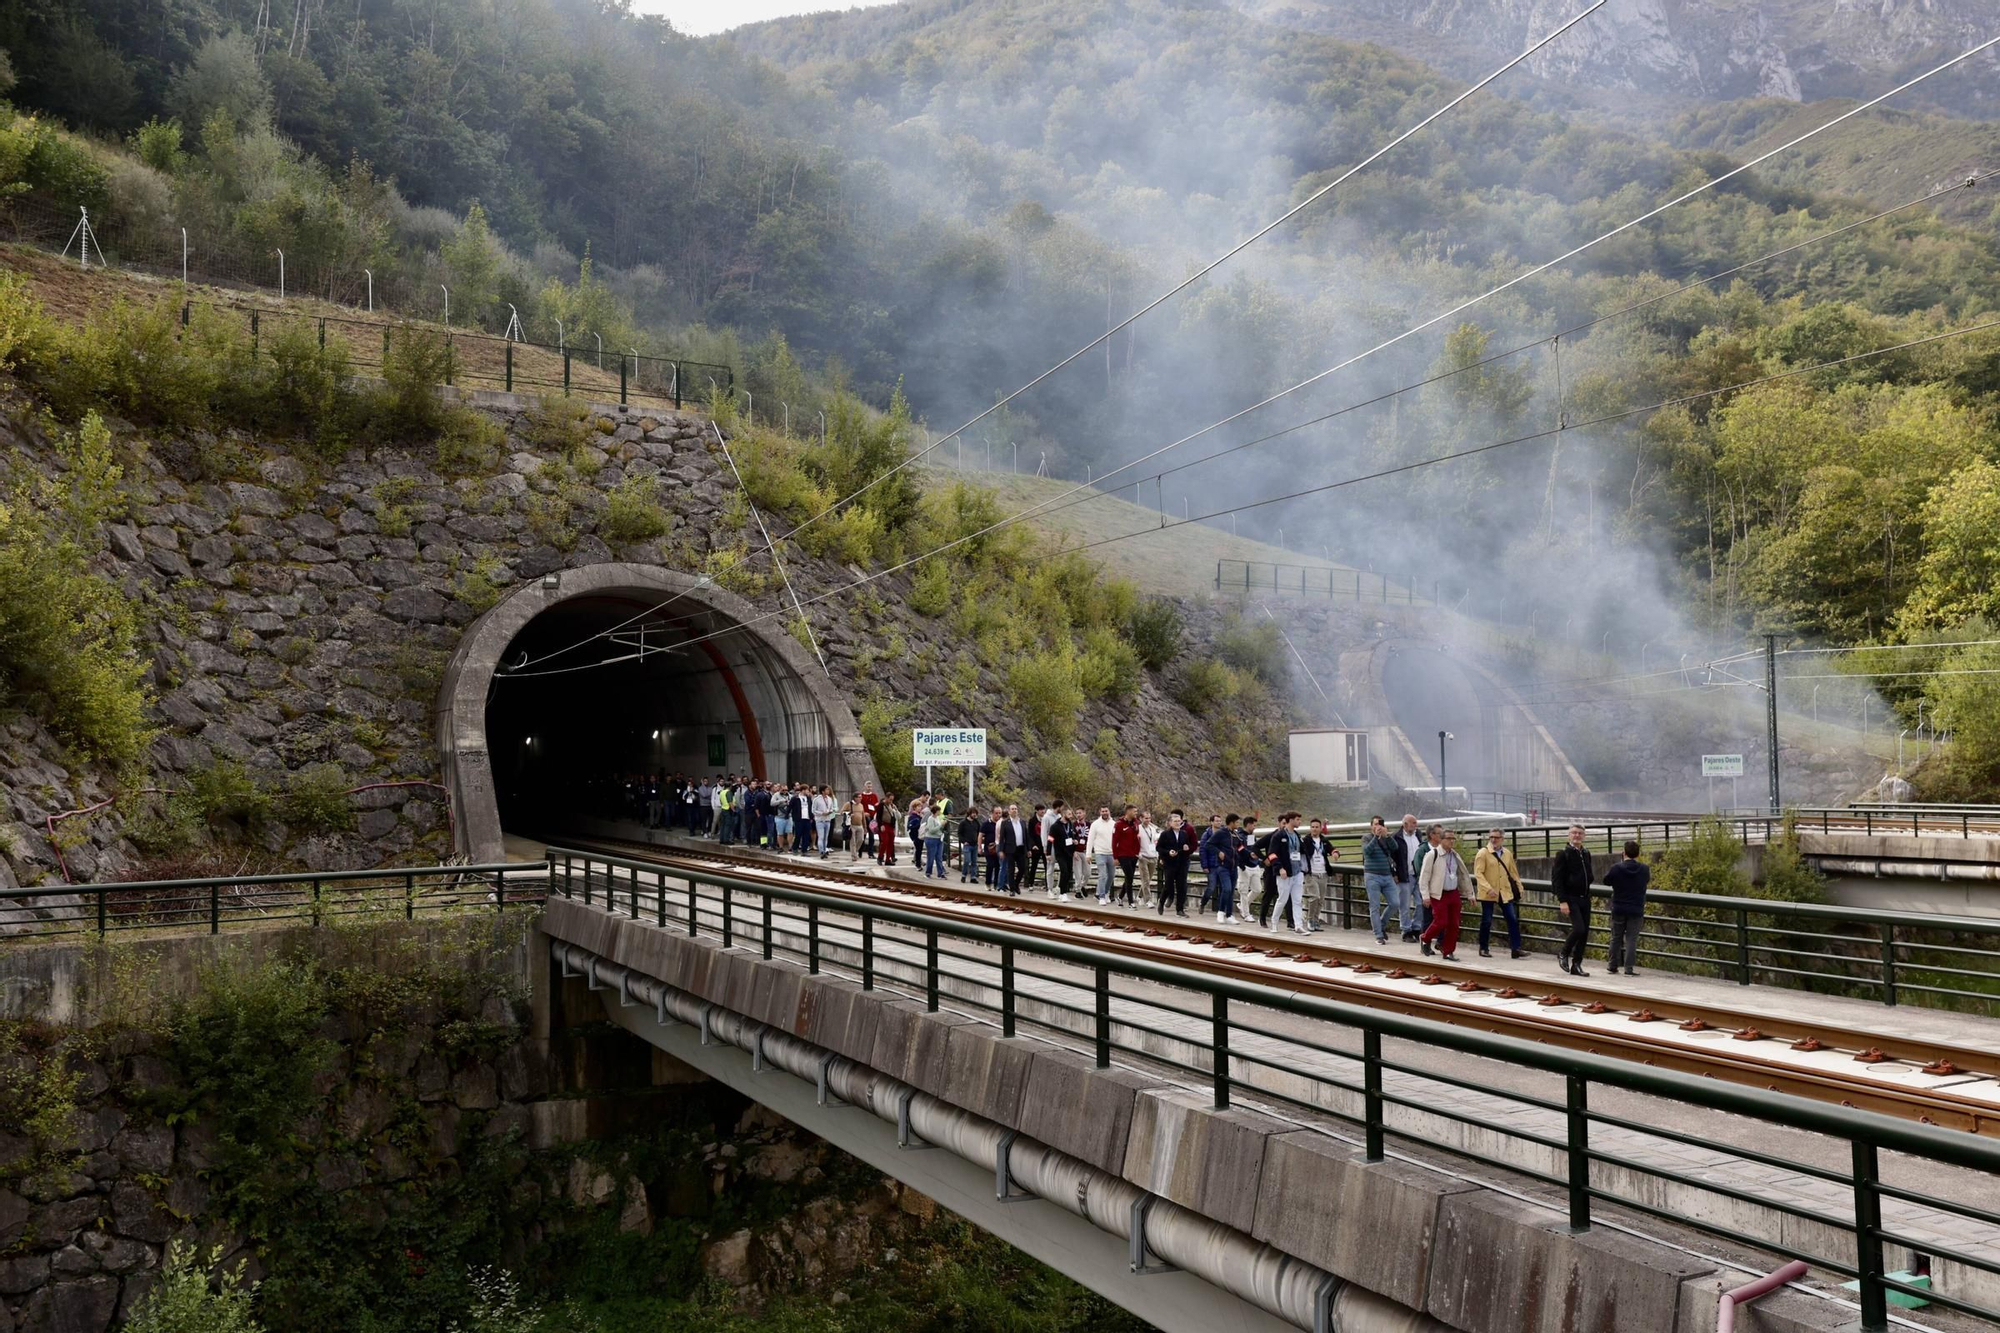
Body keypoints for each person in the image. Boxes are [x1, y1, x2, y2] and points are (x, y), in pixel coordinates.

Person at [1472, 828, 1526, 959]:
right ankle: (1483, 948)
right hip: (1489, 893)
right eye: (1491, 837)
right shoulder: (1483, 853)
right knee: (1487, 920)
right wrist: (1487, 888)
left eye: (1496, 837)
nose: (1493, 840)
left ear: (1502, 839)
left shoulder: (1507, 853)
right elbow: (1478, 873)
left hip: (1504, 891)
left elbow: (1513, 872)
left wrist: (1520, 887)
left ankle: (1516, 948)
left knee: (1512, 919)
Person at [1551, 824, 1596, 976]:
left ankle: (1576, 964)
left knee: (1584, 933)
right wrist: (1562, 901)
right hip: (1571, 898)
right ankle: (1563, 953)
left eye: (1580, 833)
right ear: (1569, 835)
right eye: (1574, 833)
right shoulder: (1563, 854)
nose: (1577, 836)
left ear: (1584, 836)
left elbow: (1588, 874)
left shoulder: (1586, 853)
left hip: (1585, 898)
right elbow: (1557, 880)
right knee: (1579, 929)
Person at [1418, 828, 1466, 961]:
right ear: (1441, 840)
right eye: (1448, 838)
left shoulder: (1455, 855)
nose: (1451, 841)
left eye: (1453, 839)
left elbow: (1462, 875)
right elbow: (1424, 876)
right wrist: (1425, 895)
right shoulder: (1432, 854)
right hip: (1439, 893)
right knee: (1441, 921)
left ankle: (1448, 951)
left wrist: (1470, 894)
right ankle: (1425, 938)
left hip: (1453, 892)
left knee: (1454, 924)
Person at [1605, 841, 1649, 977]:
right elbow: (1646, 881)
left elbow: (1606, 881)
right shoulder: (1644, 869)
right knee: (1631, 939)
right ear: (1638, 854)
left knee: (1616, 937)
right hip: (1636, 909)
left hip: (1618, 907)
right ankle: (1628, 968)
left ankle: (1612, 965)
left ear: (1624, 853)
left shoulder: (1616, 868)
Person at [1360, 817, 1403, 944]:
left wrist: (1387, 836)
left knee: (1395, 903)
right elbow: (1367, 852)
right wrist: (1376, 837)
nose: (1378, 827)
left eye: (1380, 824)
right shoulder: (1366, 838)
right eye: (1376, 824)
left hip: (1387, 875)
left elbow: (1395, 848)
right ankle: (1378, 935)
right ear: (1371, 826)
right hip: (1372, 876)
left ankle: (1381, 924)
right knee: (1375, 906)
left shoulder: (1385, 838)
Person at [1267, 813, 1307, 934]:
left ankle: (1298, 925)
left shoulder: (1297, 835)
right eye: (1297, 820)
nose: (1299, 822)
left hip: (1297, 871)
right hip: (1285, 872)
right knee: (1282, 899)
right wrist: (1279, 868)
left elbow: (1302, 851)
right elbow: (1272, 854)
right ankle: (1274, 922)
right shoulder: (1279, 836)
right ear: (1291, 820)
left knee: (1297, 900)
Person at [1299, 818, 1335, 933]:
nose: (1314, 829)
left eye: (1316, 827)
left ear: (1320, 828)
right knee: (1314, 896)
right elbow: (1299, 852)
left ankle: (1315, 920)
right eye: (1312, 827)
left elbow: (1332, 849)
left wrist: (1335, 853)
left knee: (1321, 899)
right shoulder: (1306, 840)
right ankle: (1309, 920)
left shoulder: (1324, 840)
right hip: (1311, 873)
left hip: (1323, 873)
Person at [1155, 810, 1193, 916]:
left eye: (1179, 821)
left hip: (1182, 862)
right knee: (1169, 885)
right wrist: (1168, 852)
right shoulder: (1165, 834)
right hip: (1170, 863)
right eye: (1175, 821)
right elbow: (1158, 847)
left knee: (1182, 886)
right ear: (1170, 823)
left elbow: (1187, 846)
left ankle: (1180, 909)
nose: (1177, 823)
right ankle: (1161, 902)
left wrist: (1186, 848)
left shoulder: (1184, 834)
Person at [1396, 814, 1425, 941]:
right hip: (1404, 875)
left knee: (1421, 903)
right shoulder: (1397, 837)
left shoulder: (1418, 835)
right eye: (1413, 823)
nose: (1415, 825)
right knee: (1404, 905)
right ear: (1405, 824)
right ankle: (1406, 930)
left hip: (1418, 875)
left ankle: (1416, 927)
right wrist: (1394, 873)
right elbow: (1391, 857)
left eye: (1416, 823)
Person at [1087, 806, 1117, 904]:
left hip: (1111, 853)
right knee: (1102, 875)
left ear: (1109, 811)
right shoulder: (1095, 824)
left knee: (1111, 875)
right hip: (1100, 852)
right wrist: (1088, 854)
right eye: (1102, 811)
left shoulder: (1114, 824)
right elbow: (1090, 839)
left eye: (1106, 811)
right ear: (1100, 812)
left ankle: (1106, 891)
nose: (1104, 813)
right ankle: (1102, 896)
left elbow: (1117, 840)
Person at [997, 804, 1029, 895]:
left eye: (1015, 809)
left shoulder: (1022, 822)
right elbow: (1002, 838)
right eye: (1012, 809)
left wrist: (1028, 849)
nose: (1014, 810)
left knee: (1022, 868)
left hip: (1021, 848)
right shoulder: (1005, 822)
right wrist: (1001, 850)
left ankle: (1016, 884)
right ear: (1009, 811)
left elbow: (1026, 836)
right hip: (1010, 849)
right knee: (1010, 869)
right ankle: (1012, 890)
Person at [1112, 806, 1141, 906]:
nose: (1136, 813)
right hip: (1123, 854)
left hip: (1134, 854)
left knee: (1130, 877)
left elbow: (1137, 838)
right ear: (1128, 812)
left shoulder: (1136, 823)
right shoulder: (1119, 824)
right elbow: (1114, 841)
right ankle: (1130, 902)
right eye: (1134, 811)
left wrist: (1137, 852)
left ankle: (1120, 897)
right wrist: (1115, 857)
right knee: (1129, 876)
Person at [1197, 814, 1225, 913]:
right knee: (1211, 887)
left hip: (1222, 864)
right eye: (1216, 821)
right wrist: (1204, 865)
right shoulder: (1207, 834)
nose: (1218, 823)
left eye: (1220, 821)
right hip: (1212, 865)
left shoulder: (1224, 832)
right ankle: (1203, 903)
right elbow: (1203, 850)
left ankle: (1221, 909)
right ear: (1212, 822)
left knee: (1224, 887)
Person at [1050, 807, 1080, 901]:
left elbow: (1074, 835)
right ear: (1063, 814)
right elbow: (1050, 839)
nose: (1071, 816)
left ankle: (1062, 890)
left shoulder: (1070, 824)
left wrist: (1075, 842)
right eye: (1069, 814)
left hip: (1069, 852)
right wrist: (1047, 852)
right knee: (1064, 871)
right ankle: (1063, 893)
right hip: (1060, 852)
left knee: (1069, 872)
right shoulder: (1055, 826)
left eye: (1071, 814)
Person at [1040, 801, 1066, 896]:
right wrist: (1045, 847)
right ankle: (1049, 889)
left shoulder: (1059, 817)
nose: (1063, 809)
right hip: (1050, 845)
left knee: (1063, 867)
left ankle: (1058, 887)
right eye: (1062, 807)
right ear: (1058, 807)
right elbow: (1043, 833)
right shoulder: (1046, 818)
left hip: (1059, 846)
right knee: (1050, 867)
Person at [1137, 810, 1161, 907]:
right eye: (1145, 818)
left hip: (1153, 856)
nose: (1147, 820)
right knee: (1145, 879)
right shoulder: (1138, 828)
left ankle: (1139, 896)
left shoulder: (1152, 828)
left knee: (1148, 879)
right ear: (1141, 818)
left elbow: (1160, 832)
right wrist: (1138, 854)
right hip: (1143, 856)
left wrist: (1151, 824)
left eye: (1149, 818)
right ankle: (1148, 900)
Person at [921, 805, 946, 879]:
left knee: (939, 857)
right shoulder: (930, 819)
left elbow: (938, 828)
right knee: (931, 857)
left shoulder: (937, 818)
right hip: (931, 839)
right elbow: (931, 830)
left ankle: (940, 873)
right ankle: (928, 873)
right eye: (938, 811)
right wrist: (940, 825)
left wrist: (942, 826)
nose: (940, 812)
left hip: (939, 839)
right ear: (935, 811)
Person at [957, 807, 981, 883]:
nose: (975, 815)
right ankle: (964, 875)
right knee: (967, 860)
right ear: (969, 813)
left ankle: (973, 877)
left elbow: (979, 832)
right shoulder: (963, 823)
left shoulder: (976, 822)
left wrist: (978, 841)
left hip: (975, 844)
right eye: (973, 813)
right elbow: (959, 833)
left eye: (976, 813)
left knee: (974, 861)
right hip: (967, 845)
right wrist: (964, 841)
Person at [876, 795, 900, 866]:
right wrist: (881, 825)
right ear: (886, 798)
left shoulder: (892, 806)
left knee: (890, 843)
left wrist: (895, 808)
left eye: (892, 800)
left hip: (891, 826)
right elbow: (878, 816)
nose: (891, 801)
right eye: (890, 799)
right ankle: (880, 857)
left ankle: (888, 859)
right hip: (884, 825)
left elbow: (895, 816)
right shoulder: (881, 805)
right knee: (885, 841)